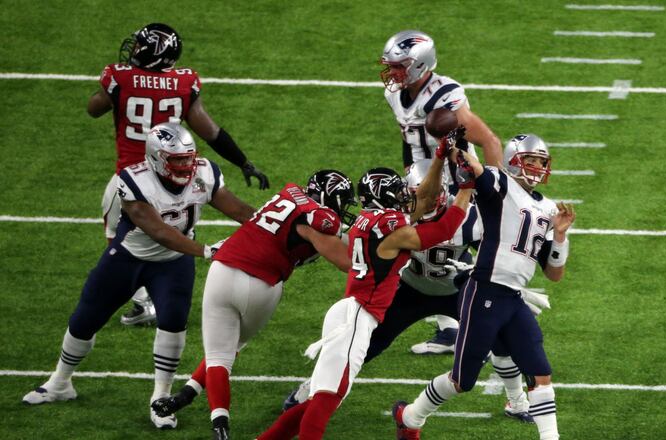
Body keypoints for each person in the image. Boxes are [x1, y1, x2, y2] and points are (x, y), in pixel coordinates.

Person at [21, 123, 256, 431]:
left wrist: (273, 225)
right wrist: (208, 252)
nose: (186, 165)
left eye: (189, 158)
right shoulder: (134, 180)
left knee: (173, 323)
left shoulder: (205, 172)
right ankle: (60, 382)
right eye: (178, 160)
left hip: (173, 264)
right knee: (85, 318)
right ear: (158, 159)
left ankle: (161, 398)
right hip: (130, 258)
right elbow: (159, 231)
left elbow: (237, 208)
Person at [282, 159, 535, 423]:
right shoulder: (397, 219)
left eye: (433, 193)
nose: (426, 198)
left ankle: (517, 401)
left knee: (501, 335)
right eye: (417, 194)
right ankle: (312, 389)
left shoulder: (469, 216)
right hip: (410, 288)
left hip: (456, 288)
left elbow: (494, 251)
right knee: (365, 343)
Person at [256, 146, 473, 440]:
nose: (406, 198)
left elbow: (421, 202)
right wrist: (466, 188)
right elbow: (443, 228)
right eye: (398, 194)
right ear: (385, 196)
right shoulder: (391, 227)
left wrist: (438, 157)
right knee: (325, 402)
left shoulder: (371, 221)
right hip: (357, 318)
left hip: (350, 312)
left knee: (320, 399)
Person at [393, 134, 576, 440]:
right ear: (512, 160)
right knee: (461, 381)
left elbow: (554, 274)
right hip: (484, 293)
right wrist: (456, 146)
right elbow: (475, 169)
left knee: (541, 375)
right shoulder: (500, 185)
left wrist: (559, 236)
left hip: (513, 299)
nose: (536, 167)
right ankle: (410, 416)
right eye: (529, 160)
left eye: (541, 162)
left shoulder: (547, 208)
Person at [150, 170, 357, 439]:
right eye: (342, 201)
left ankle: (209, 418)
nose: (345, 207)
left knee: (219, 356)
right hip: (263, 286)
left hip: (225, 268)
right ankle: (188, 400)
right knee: (229, 348)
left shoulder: (290, 194)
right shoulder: (319, 220)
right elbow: (346, 261)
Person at [88, 22, 269, 326]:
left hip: (131, 177)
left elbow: (93, 108)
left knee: (120, 243)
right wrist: (243, 162)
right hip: (177, 176)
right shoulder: (184, 84)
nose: (134, 49)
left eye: (140, 45)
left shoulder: (119, 78)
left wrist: (110, 90)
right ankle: (272, 235)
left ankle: (139, 302)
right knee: (176, 233)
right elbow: (210, 132)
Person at [380, 29, 502, 354]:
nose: (392, 73)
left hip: (458, 179)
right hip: (425, 179)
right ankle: (449, 328)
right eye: (390, 66)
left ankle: (498, 319)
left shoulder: (445, 95)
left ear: (419, 64)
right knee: (428, 248)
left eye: (398, 66)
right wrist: (412, 174)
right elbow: (410, 139)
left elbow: (489, 140)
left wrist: (497, 191)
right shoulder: (395, 94)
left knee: (476, 246)